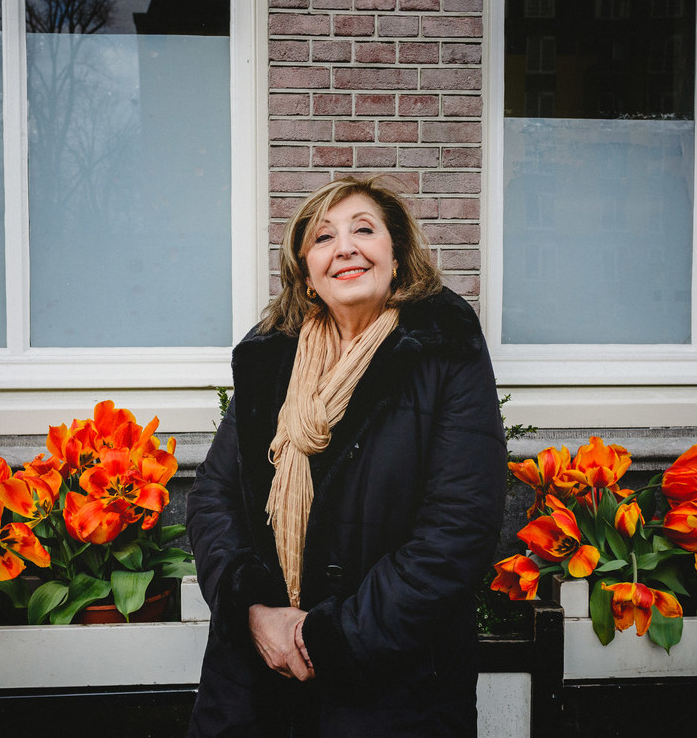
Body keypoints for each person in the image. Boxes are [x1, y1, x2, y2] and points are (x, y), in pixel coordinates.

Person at [186, 176, 507, 737]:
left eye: (364, 229)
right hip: (255, 682)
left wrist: (327, 638)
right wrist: (254, 611)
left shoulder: (445, 352)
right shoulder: (270, 363)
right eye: (323, 237)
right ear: (307, 273)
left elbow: (459, 526)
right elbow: (214, 497)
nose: (346, 247)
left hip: (392, 689)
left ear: (398, 256)